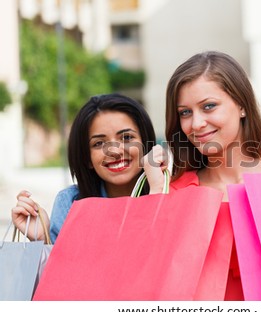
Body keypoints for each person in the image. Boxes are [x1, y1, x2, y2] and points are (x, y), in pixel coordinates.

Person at [143, 50, 261, 300]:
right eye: (185, 112)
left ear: (241, 105)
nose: (196, 124)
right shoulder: (178, 192)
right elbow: (153, 277)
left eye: (209, 106)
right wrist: (156, 191)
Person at [11, 93, 156, 244]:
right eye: (99, 143)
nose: (115, 151)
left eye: (127, 138)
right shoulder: (70, 202)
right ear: (87, 158)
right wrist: (43, 238)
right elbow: (61, 266)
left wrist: (157, 193)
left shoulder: (171, 192)